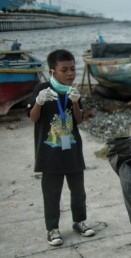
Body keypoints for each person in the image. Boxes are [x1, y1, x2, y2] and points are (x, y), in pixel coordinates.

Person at [28, 49, 95, 246]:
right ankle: (52, 229)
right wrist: (39, 102)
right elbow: (33, 118)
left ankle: (79, 222)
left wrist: (75, 102)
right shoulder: (42, 89)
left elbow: (79, 120)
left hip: (72, 152)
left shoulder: (72, 91)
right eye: (64, 70)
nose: (70, 73)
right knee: (51, 193)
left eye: (73, 69)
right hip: (49, 154)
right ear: (52, 72)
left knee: (78, 191)